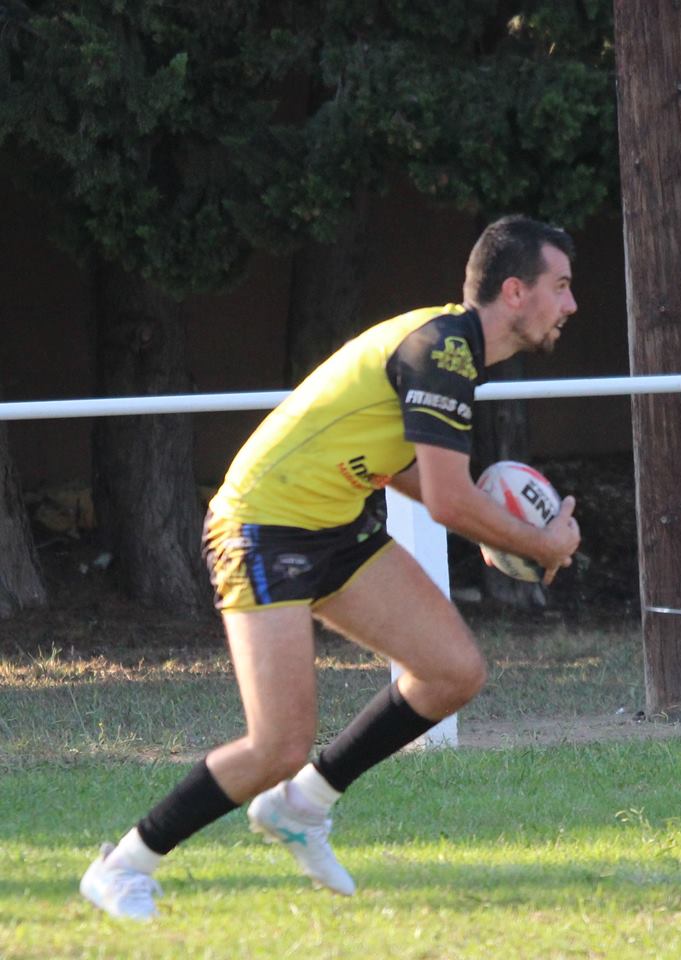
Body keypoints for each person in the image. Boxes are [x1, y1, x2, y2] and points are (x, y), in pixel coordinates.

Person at [80, 214, 582, 920]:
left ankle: (302, 805)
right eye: (560, 286)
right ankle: (123, 865)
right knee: (278, 744)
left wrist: (493, 528)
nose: (571, 304)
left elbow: (404, 468)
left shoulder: (454, 349)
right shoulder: (443, 349)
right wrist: (538, 543)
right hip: (261, 526)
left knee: (453, 672)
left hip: (335, 525)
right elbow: (447, 500)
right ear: (515, 291)